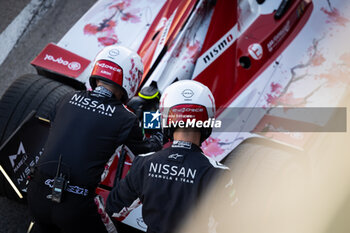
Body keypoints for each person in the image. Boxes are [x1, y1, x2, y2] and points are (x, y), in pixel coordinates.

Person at [26, 45, 163, 233]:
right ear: (131, 79)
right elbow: (151, 149)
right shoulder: (126, 118)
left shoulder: (67, 97)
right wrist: (154, 115)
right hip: (76, 207)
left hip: (35, 195)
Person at [106, 80, 230, 233]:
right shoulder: (219, 174)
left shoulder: (144, 162)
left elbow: (114, 208)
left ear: (166, 118)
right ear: (207, 120)